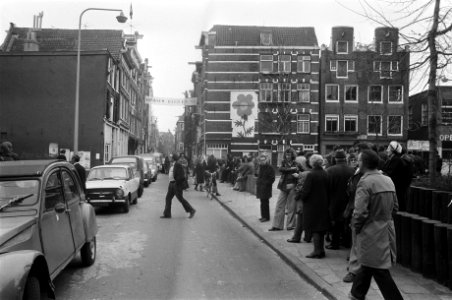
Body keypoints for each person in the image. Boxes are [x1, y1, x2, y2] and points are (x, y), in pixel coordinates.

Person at [349, 150, 403, 300]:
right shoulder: (388, 180)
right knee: (368, 265)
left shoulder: (365, 182)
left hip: (370, 231)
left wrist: (356, 228)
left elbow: (360, 213)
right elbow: (396, 207)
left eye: (359, 160)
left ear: (364, 163)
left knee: (378, 269)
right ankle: (356, 294)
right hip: (386, 229)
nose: (357, 163)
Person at [343, 142, 371, 283]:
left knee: (357, 241)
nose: (354, 158)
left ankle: (354, 271)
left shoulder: (363, 177)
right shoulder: (359, 173)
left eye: (357, 156)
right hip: (359, 210)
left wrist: (356, 219)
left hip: (360, 212)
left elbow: (356, 193)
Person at [297, 154, 329, 258]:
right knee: (321, 228)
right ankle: (321, 250)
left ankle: (316, 251)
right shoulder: (325, 173)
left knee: (314, 228)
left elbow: (306, 191)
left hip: (312, 205)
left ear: (312, 163)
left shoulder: (311, 175)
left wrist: (301, 197)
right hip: (324, 204)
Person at [325, 149, 354, 250]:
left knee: (336, 222)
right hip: (348, 200)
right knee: (347, 222)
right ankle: (346, 242)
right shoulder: (352, 170)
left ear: (335, 159)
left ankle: (335, 243)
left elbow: (326, 188)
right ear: (345, 159)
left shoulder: (330, 170)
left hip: (334, 200)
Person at [269, 148, 299, 231]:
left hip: (292, 185)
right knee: (279, 205)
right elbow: (281, 169)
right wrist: (291, 169)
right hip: (283, 186)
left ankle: (291, 225)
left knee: (291, 207)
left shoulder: (296, 163)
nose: (287, 156)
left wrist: (295, 171)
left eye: (289, 155)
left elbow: (299, 171)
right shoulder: (283, 162)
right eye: (286, 154)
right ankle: (277, 225)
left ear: (292, 155)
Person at [161, 153, 196, 219]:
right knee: (168, 198)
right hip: (171, 184)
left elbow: (182, 176)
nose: (170, 158)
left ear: (173, 158)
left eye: (171, 157)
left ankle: (191, 210)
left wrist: (177, 183)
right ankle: (167, 214)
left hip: (176, 185)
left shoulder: (178, 165)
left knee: (181, 199)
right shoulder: (173, 164)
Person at [288, 152, 313, 243]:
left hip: (303, 200)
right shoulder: (320, 172)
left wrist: (296, 197)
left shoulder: (304, 174)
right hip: (314, 201)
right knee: (310, 219)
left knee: (300, 219)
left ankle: (296, 237)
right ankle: (308, 237)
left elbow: (299, 189)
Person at [383, 141, 411, 212]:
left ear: (393, 150)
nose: (387, 150)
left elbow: (389, 172)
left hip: (397, 189)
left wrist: (382, 173)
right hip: (394, 188)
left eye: (388, 148)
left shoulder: (396, 160)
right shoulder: (391, 159)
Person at [256, 153, 275, 222]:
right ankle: (263, 216)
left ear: (266, 160)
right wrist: (258, 182)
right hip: (261, 188)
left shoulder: (270, 168)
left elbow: (272, 178)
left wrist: (265, 184)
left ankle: (266, 217)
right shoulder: (261, 167)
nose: (262, 161)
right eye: (261, 160)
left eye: (263, 160)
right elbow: (259, 176)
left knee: (265, 203)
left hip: (266, 188)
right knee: (262, 202)